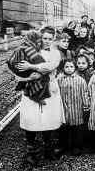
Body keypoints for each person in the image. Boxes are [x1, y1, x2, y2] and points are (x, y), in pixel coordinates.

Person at [16, 26, 65, 165]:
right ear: (40, 38)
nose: (47, 41)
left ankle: (48, 150)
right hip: (31, 89)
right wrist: (29, 76)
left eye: (50, 39)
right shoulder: (32, 51)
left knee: (48, 119)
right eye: (44, 38)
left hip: (50, 88)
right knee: (31, 119)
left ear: (54, 39)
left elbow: (50, 66)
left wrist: (31, 67)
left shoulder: (56, 53)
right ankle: (32, 152)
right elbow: (19, 69)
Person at [57, 59, 89, 156]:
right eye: (67, 67)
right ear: (63, 68)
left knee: (77, 130)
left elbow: (84, 93)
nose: (69, 69)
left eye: (71, 67)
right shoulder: (59, 79)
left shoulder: (80, 80)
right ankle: (63, 145)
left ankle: (76, 146)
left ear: (75, 68)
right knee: (63, 129)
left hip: (77, 109)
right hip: (64, 108)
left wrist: (86, 105)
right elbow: (56, 93)